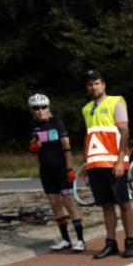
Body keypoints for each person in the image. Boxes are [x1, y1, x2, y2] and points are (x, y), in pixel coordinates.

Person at [82, 70, 133, 258]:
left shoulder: (116, 102)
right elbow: (91, 137)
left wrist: (121, 160)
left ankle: (130, 241)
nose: (93, 87)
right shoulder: (86, 108)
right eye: (90, 84)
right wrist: (85, 164)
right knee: (106, 205)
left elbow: (124, 132)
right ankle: (110, 242)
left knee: (124, 203)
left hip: (115, 163)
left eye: (96, 83)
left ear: (103, 85)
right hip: (96, 164)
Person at [27, 93, 84, 251]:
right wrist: (33, 148)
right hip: (46, 171)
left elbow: (67, 148)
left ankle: (80, 240)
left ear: (48, 107)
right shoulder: (32, 126)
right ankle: (65, 240)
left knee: (69, 203)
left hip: (61, 170)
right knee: (55, 205)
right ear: (32, 110)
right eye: (36, 108)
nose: (40, 111)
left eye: (43, 107)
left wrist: (69, 168)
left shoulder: (57, 123)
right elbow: (33, 147)